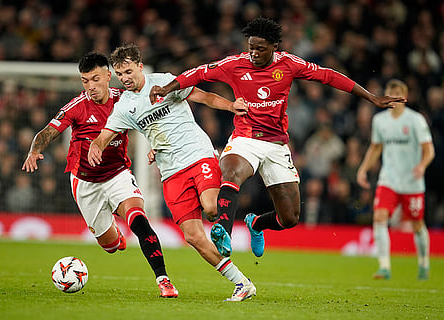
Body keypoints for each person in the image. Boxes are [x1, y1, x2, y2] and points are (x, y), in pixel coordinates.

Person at [149, 17, 406, 258]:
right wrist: (166, 88)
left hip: (276, 143)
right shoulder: (234, 64)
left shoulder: (289, 64)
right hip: (245, 137)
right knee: (232, 170)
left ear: (274, 46)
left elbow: (328, 76)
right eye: (251, 48)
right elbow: (197, 73)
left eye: (260, 49)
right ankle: (223, 232)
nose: (254, 54)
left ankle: (256, 224)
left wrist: (371, 97)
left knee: (290, 217)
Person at [88, 44, 256, 302]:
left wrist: (231, 106)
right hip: (170, 171)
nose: (125, 78)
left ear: (140, 66)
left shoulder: (165, 82)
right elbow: (105, 134)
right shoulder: (124, 107)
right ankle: (242, 283)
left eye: (129, 71)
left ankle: (227, 228)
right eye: (120, 74)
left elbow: (203, 97)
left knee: (211, 207)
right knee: (193, 237)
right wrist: (95, 147)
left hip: (198, 154)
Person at [22, 52, 178, 298]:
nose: (91, 86)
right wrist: (34, 151)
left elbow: (150, 123)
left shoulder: (125, 99)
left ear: (108, 76)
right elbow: (47, 132)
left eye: (95, 79)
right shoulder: (77, 107)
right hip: (85, 183)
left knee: (138, 219)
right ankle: (115, 235)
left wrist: (155, 146)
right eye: (85, 81)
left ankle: (164, 280)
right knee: (111, 247)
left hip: (118, 174)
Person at [357, 79, 435, 280]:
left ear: (405, 95)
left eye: (398, 92)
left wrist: (421, 165)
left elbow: (429, 150)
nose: (394, 95)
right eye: (391, 91)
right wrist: (363, 169)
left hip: (412, 182)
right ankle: (384, 266)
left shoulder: (415, 120)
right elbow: (376, 148)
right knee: (379, 218)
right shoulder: (380, 121)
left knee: (417, 223)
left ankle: (424, 263)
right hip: (388, 180)